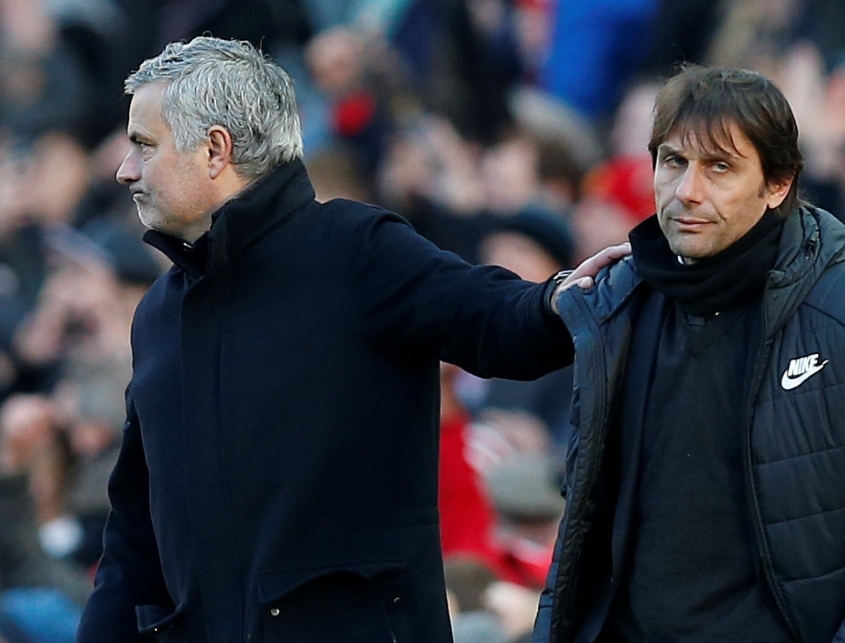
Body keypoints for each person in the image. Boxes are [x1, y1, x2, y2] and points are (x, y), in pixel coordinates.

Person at [75, 37, 626, 643]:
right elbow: (134, 540)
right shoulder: (159, 312)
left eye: (144, 145)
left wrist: (564, 298)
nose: (125, 169)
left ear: (214, 150)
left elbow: (495, 319)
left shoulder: (356, 250)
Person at [534, 65, 845, 643]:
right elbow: (581, 530)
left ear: (778, 183)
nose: (688, 190)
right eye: (673, 162)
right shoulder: (617, 305)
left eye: (720, 167)